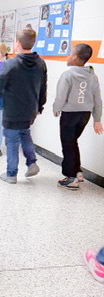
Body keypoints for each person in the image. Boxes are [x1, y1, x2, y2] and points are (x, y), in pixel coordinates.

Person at [0, 28, 47, 184]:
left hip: (13, 111)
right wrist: (40, 106)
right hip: (30, 110)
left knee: (12, 141)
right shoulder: (40, 63)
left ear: (17, 44)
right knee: (25, 134)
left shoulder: (11, 63)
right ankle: (32, 162)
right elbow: (43, 87)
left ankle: (11, 174)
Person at [52, 43, 103, 189]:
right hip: (85, 115)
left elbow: (61, 97)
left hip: (69, 115)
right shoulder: (92, 76)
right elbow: (97, 99)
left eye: (69, 53)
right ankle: (78, 172)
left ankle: (71, 177)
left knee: (67, 144)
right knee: (73, 142)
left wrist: (56, 109)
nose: (68, 56)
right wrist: (97, 119)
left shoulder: (67, 75)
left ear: (74, 57)